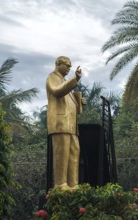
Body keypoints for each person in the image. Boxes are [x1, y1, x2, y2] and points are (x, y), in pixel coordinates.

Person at [46, 56, 85, 190]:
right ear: (58, 64)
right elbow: (58, 92)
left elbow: (70, 105)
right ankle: (61, 184)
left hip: (72, 126)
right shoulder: (52, 77)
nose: (69, 68)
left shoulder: (64, 81)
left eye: (70, 66)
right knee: (62, 154)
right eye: (67, 65)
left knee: (74, 152)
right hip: (60, 123)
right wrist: (75, 80)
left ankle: (73, 184)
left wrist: (79, 103)